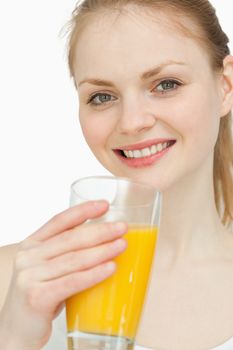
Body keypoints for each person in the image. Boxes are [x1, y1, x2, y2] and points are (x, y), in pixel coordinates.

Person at [0, 0, 233, 349]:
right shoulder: (16, 281)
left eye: (166, 84)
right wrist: (13, 338)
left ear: (225, 86)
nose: (132, 122)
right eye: (102, 96)